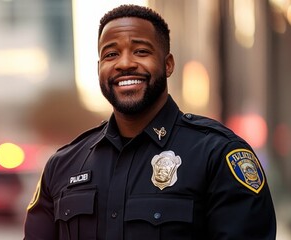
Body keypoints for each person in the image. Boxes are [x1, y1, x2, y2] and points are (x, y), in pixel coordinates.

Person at [24, 4, 276, 240]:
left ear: (168, 64)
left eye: (141, 51)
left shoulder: (218, 155)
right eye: (111, 54)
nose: (125, 63)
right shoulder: (62, 166)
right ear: (99, 68)